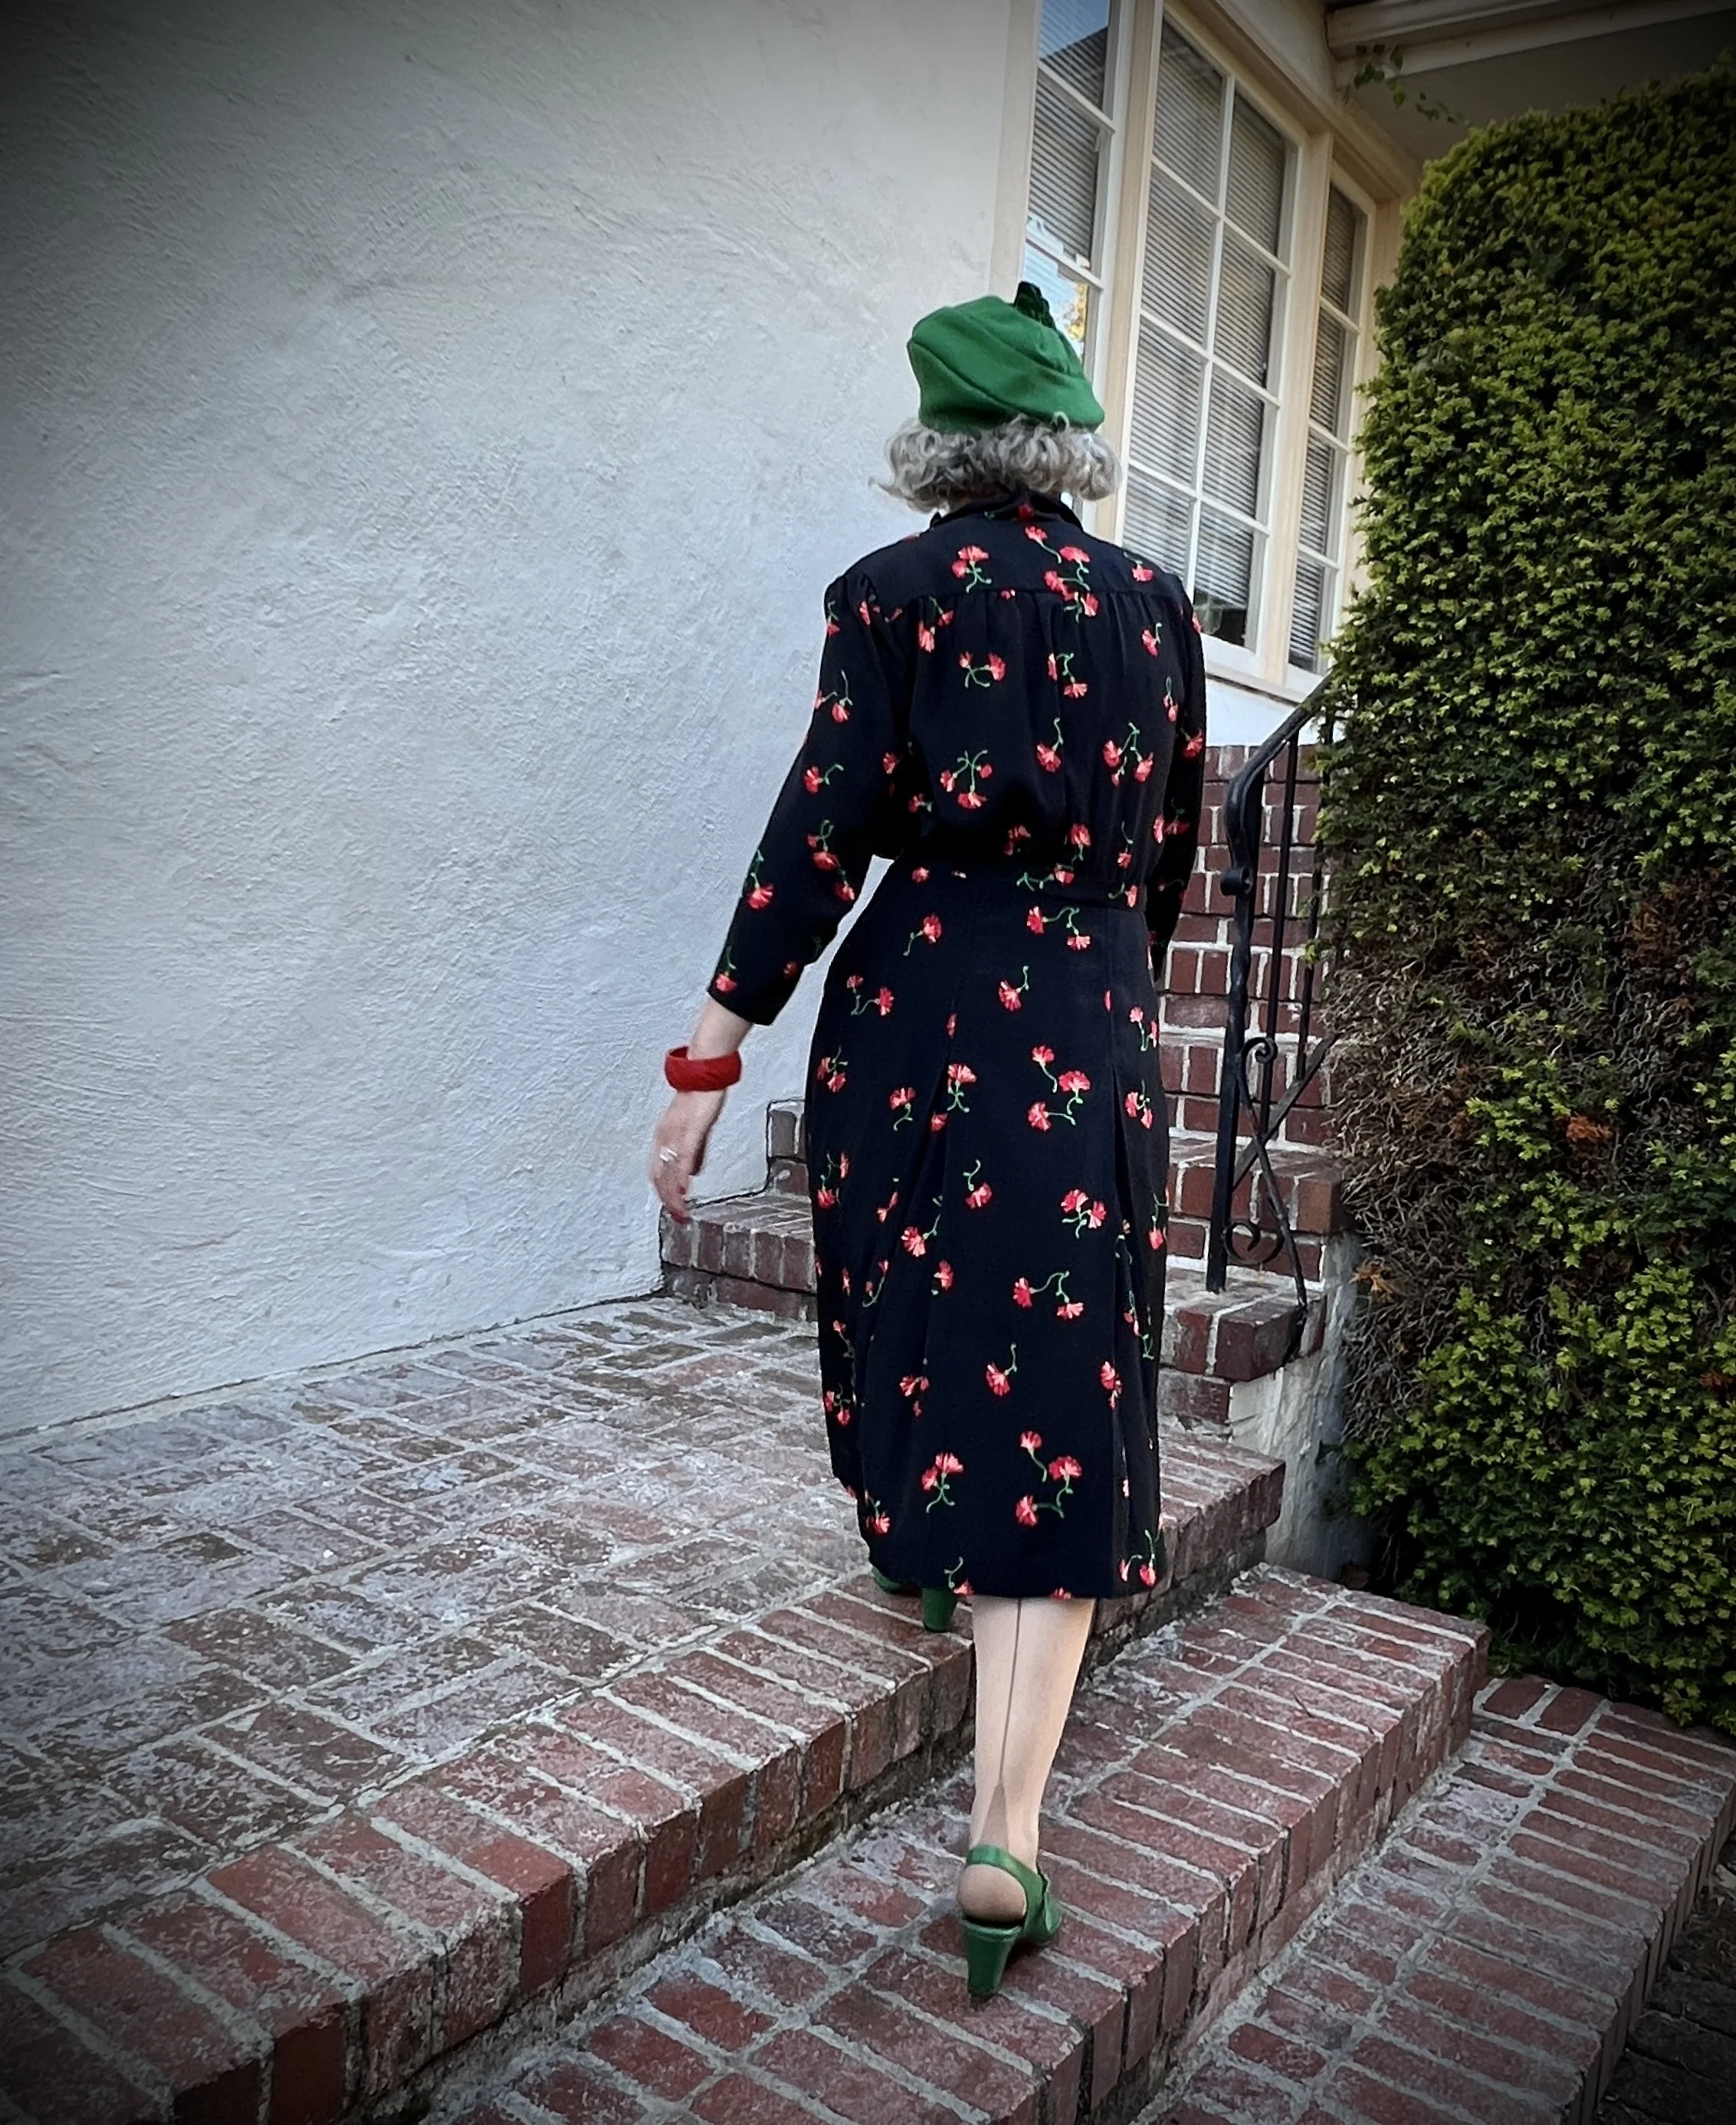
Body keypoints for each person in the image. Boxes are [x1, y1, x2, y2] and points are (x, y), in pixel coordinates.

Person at [650, 283, 1206, 2000]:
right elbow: (1174, 832)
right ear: (1063, 442)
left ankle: (923, 1544)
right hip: (1089, 987)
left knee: (916, 1295)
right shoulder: (1157, 603)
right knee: (1070, 1356)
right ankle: (1006, 1837)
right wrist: (1111, 980)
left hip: (919, 993)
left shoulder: (890, 596)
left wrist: (711, 1050)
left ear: (935, 445)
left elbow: (818, 829)